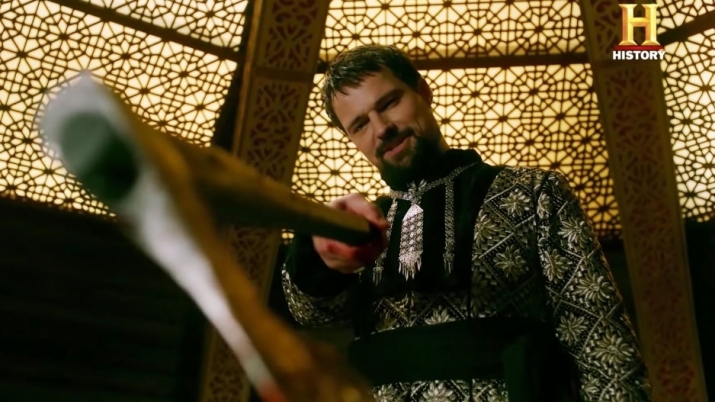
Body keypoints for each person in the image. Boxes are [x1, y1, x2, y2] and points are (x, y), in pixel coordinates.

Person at [281, 44, 651, 401]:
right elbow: (311, 312)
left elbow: (601, 341)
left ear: (423, 93)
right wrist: (320, 248)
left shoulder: (533, 192)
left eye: (390, 103)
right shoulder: (359, 229)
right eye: (360, 124)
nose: (381, 129)